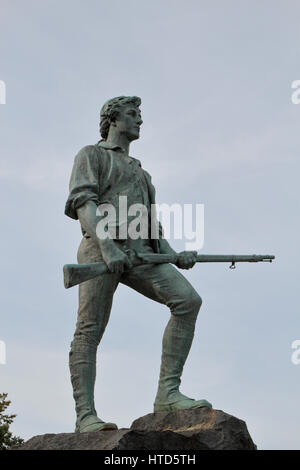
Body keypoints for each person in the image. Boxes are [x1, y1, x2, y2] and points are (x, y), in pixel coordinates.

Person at [65, 96, 212, 433]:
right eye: (133, 114)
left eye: (139, 115)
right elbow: (84, 203)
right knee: (89, 329)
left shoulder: (141, 173)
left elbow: (151, 224)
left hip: (142, 253)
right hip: (101, 252)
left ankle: (168, 394)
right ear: (113, 120)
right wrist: (106, 245)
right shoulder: (91, 155)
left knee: (188, 301)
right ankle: (85, 416)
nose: (140, 121)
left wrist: (175, 254)